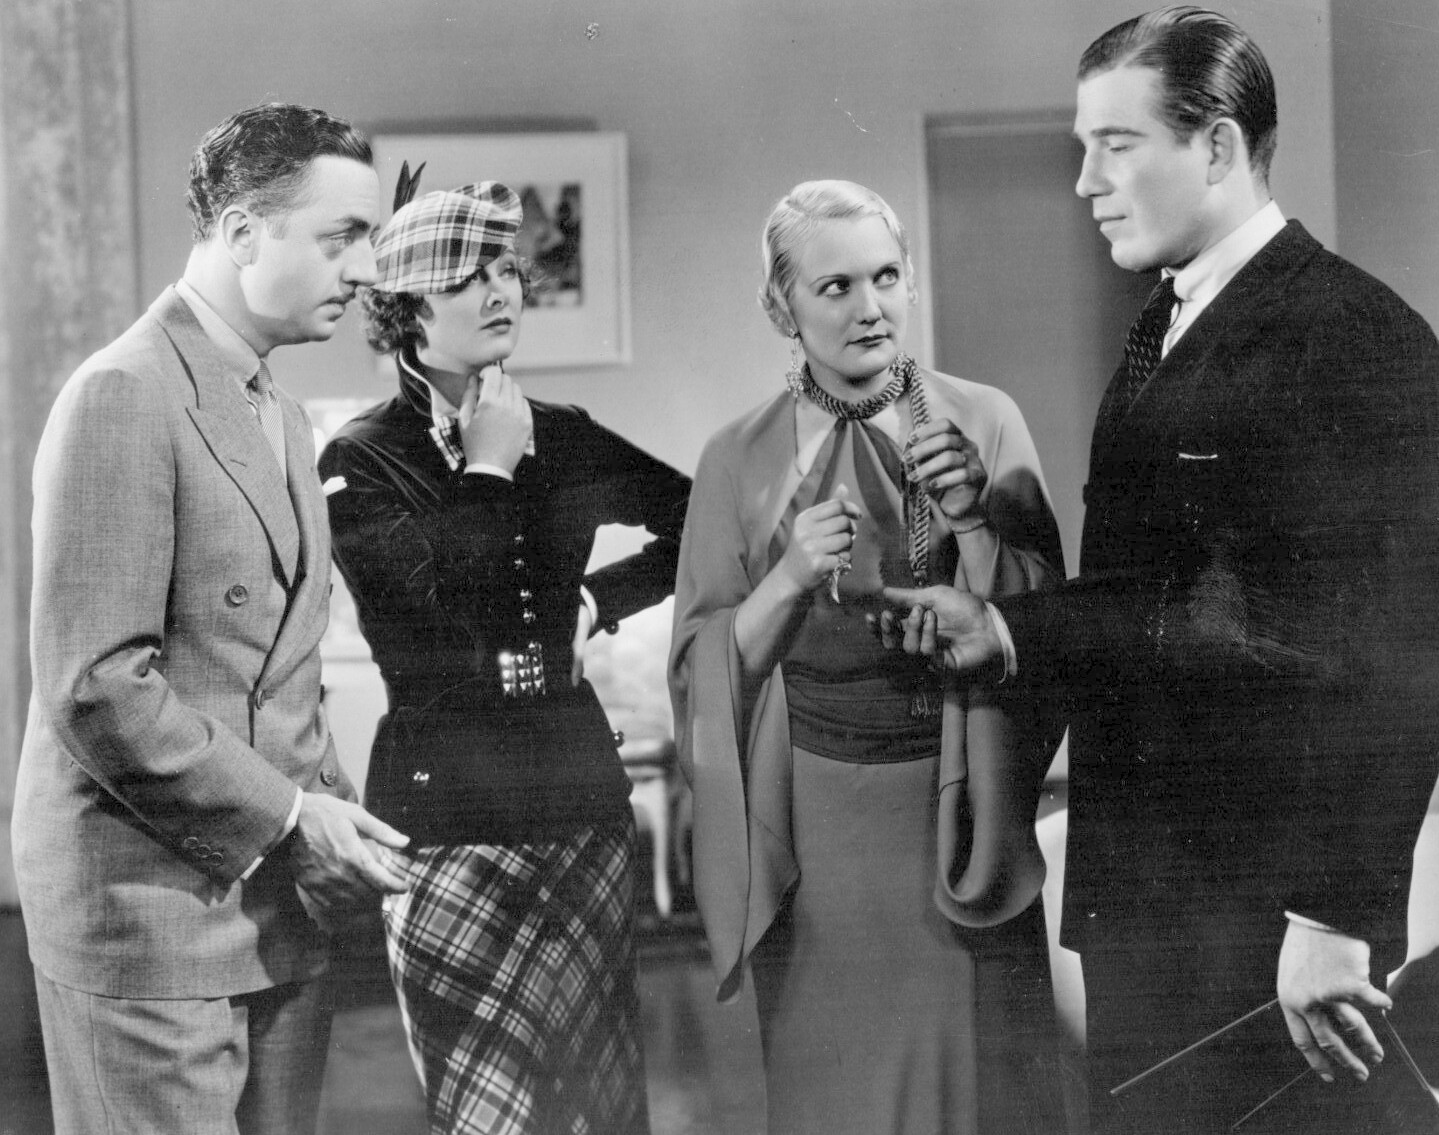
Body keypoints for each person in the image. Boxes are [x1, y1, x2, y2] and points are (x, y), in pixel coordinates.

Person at [880, 8, 1439, 1132]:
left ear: (1217, 146)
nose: (1084, 181)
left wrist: (1332, 918)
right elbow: (1175, 598)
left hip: (1267, 927)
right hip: (1157, 903)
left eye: (1115, 145)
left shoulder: (1348, 336)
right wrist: (1006, 628)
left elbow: (1398, 647)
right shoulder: (1168, 322)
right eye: (1080, 147)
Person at [13, 103, 411, 1135]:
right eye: (342, 236)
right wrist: (292, 817)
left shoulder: (276, 408)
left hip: (273, 915)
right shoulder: (122, 393)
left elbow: (275, 670)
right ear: (241, 232)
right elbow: (97, 685)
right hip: (147, 921)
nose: (366, 269)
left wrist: (334, 821)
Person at [669, 179, 1070, 1135]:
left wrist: (971, 523)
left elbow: (1050, 629)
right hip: (819, 830)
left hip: (963, 811)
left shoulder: (987, 419)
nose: (869, 307)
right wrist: (786, 578)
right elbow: (698, 666)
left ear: (911, 281)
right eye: (835, 286)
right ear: (781, 307)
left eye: (886, 276)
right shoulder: (735, 456)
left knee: (981, 1091)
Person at [318, 172, 689, 1135]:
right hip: (446, 824)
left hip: (578, 804)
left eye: (506, 271)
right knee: (486, 1116)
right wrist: (486, 465)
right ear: (405, 308)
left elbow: (699, 521)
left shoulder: (561, 435)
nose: (498, 292)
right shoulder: (357, 459)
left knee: (599, 1109)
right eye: (465, 277)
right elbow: (434, 624)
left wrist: (597, 601)